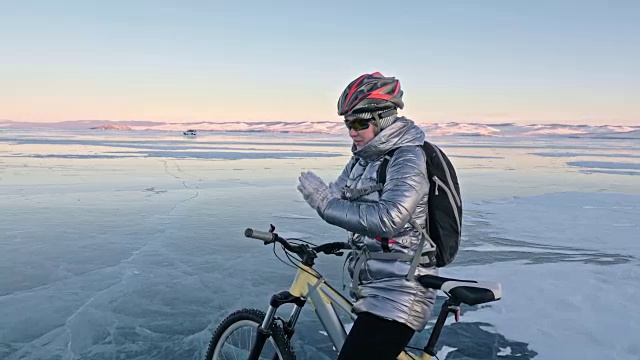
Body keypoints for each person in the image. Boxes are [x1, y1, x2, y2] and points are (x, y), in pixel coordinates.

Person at [296, 72, 438, 360]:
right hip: (374, 285)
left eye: (360, 123)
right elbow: (337, 195)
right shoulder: (363, 158)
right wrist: (325, 199)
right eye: (348, 124)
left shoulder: (407, 158)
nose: (352, 131)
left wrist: (324, 204)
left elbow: (390, 219)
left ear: (383, 119)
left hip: (401, 290)